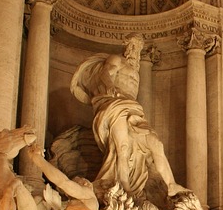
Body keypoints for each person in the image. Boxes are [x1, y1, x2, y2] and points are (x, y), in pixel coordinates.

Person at [70, 33, 187, 199]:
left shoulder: (136, 70)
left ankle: (171, 184)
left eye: (138, 48)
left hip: (133, 110)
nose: (135, 51)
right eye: (133, 46)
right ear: (127, 47)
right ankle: (124, 188)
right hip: (114, 105)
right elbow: (106, 73)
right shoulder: (116, 60)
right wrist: (110, 86)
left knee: (156, 144)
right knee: (122, 147)